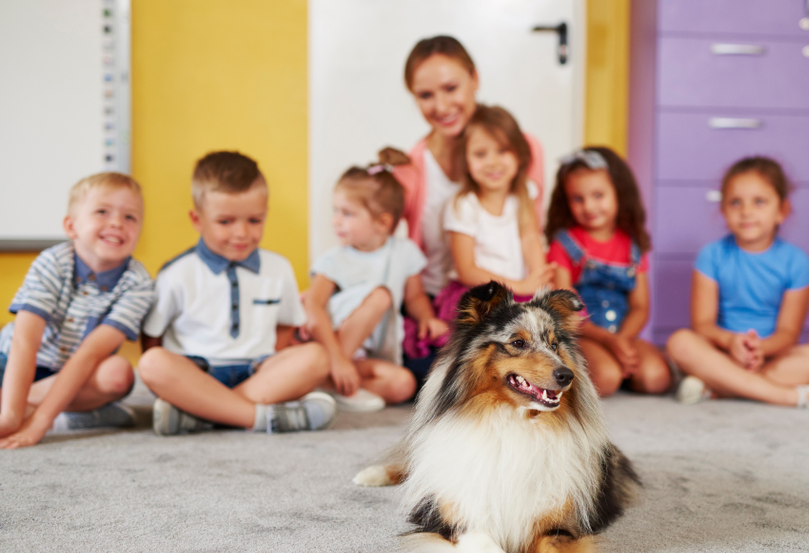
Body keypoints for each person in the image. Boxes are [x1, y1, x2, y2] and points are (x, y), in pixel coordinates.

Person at [138, 151, 337, 435]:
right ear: (197, 219)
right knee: (152, 364)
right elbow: (152, 337)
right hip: (197, 373)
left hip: (257, 372)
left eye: (254, 220)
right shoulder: (177, 273)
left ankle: (200, 415)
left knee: (317, 357)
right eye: (226, 222)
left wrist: (271, 363)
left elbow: (285, 327)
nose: (242, 232)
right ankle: (261, 417)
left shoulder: (278, 267)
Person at [396, 36, 547, 379]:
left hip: (514, 295)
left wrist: (534, 291)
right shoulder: (412, 167)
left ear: (474, 79)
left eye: (451, 88)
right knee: (437, 374)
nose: (441, 105)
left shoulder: (522, 150)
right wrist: (422, 314)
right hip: (443, 301)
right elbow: (403, 254)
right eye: (425, 95)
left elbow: (528, 231)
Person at [666, 156, 809, 410]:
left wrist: (760, 349)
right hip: (723, 354)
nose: (746, 211)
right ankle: (790, 397)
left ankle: (719, 388)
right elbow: (702, 324)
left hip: (771, 357)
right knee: (680, 342)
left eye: (759, 202)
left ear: (781, 211)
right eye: (736, 202)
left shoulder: (797, 262)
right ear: (723, 210)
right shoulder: (711, 255)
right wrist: (731, 343)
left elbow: (788, 333)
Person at [0, 173, 154, 448]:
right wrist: (10, 417)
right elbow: (25, 342)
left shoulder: (139, 283)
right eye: (102, 211)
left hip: (80, 375)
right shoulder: (52, 262)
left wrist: (40, 423)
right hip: (14, 364)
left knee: (119, 373)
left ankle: (46, 411)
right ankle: (76, 415)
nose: (117, 223)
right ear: (71, 226)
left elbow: (89, 354)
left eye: (130, 217)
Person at [303, 150, 448, 412]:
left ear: (382, 222)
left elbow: (414, 296)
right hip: (332, 346)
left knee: (404, 385)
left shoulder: (404, 252)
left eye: (347, 213)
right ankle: (332, 369)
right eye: (336, 210)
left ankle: (323, 385)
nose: (336, 220)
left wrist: (426, 317)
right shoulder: (334, 260)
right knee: (381, 296)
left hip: (370, 355)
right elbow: (312, 305)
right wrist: (338, 358)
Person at [545, 147, 671, 396]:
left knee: (656, 378)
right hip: (585, 336)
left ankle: (623, 362)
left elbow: (640, 306)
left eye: (598, 195)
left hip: (623, 334)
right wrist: (607, 341)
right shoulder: (564, 244)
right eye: (578, 199)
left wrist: (621, 340)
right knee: (606, 378)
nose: (589, 206)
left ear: (619, 194)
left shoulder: (634, 245)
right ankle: (611, 366)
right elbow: (565, 312)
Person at [442, 105, 556, 307]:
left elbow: (530, 238)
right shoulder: (463, 205)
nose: (492, 162)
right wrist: (519, 287)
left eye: (502, 151)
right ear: (466, 161)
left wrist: (539, 285)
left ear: (519, 155)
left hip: (521, 290)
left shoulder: (524, 193)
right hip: (482, 294)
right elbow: (466, 269)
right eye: (480, 154)